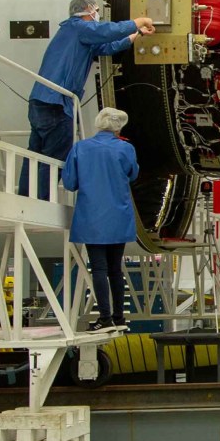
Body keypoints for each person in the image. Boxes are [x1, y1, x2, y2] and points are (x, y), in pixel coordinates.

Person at [24, 0, 152, 197]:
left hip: (41, 100)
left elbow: (107, 47)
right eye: (96, 10)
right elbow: (107, 32)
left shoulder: (74, 34)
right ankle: (40, 201)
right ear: (86, 10)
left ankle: (25, 196)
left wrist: (136, 34)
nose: (97, 14)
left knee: (35, 154)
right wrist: (138, 21)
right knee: (55, 157)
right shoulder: (78, 28)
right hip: (56, 103)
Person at [60, 108, 142, 328]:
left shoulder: (81, 148)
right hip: (118, 216)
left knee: (98, 268)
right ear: (118, 127)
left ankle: (104, 317)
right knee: (115, 268)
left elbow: (69, 182)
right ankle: (118, 317)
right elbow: (133, 174)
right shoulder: (126, 148)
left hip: (92, 217)